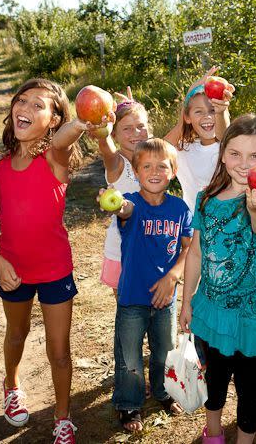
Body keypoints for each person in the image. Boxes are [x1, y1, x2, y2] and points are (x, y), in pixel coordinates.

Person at [0, 78, 91, 444]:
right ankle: (11, 384)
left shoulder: (55, 158)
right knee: (17, 334)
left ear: (55, 119)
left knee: (59, 351)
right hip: (14, 270)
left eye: (38, 105)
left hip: (56, 269)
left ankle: (62, 417)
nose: (24, 108)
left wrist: (86, 120)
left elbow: (62, 140)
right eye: (21, 101)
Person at [180, 114, 256, 444]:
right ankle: (212, 431)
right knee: (214, 378)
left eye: (255, 156)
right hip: (212, 310)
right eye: (235, 154)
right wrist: (186, 301)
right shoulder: (207, 198)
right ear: (223, 154)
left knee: (250, 388)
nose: (244, 164)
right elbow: (196, 253)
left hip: (253, 315)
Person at [103, 138, 193, 433]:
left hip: (165, 298)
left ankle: (162, 391)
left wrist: (174, 276)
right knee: (129, 355)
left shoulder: (179, 209)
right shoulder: (132, 203)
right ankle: (128, 403)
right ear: (137, 171)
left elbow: (188, 246)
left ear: (173, 171)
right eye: (146, 166)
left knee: (163, 351)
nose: (154, 172)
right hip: (132, 297)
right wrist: (114, 201)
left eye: (162, 166)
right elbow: (124, 210)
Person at [94, 89, 150, 293]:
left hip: (152, 248)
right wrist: (102, 132)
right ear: (114, 134)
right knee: (128, 313)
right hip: (122, 251)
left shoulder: (155, 159)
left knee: (155, 309)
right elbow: (106, 148)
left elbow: (178, 131)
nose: (136, 133)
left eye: (141, 126)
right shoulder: (117, 164)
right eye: (127, 129)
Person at [163, 67, 234, 213]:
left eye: (212, 110)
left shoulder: (228, 149)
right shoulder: (184, 149)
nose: (207, 116)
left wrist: (220, 111)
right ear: (187, 117)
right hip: (192, 228)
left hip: (225, 225)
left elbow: (225, 136)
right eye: (198, 111)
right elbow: (160, 149)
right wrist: (190, 92)